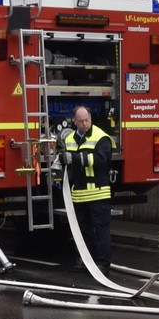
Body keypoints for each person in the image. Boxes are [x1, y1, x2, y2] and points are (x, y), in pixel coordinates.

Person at [59, 105, 114, 276]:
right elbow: (68, 165)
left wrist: (73, 158)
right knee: (83, 231)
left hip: (98, 192)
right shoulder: (69, 140)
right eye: (81, 121)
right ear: (74, 122)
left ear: (91, 118)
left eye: (87, 120)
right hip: (79, 194)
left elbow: (100, 159)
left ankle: (103, 264)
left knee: (101, 229)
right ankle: (85, 259)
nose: (85, 124)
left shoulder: (101, 137)